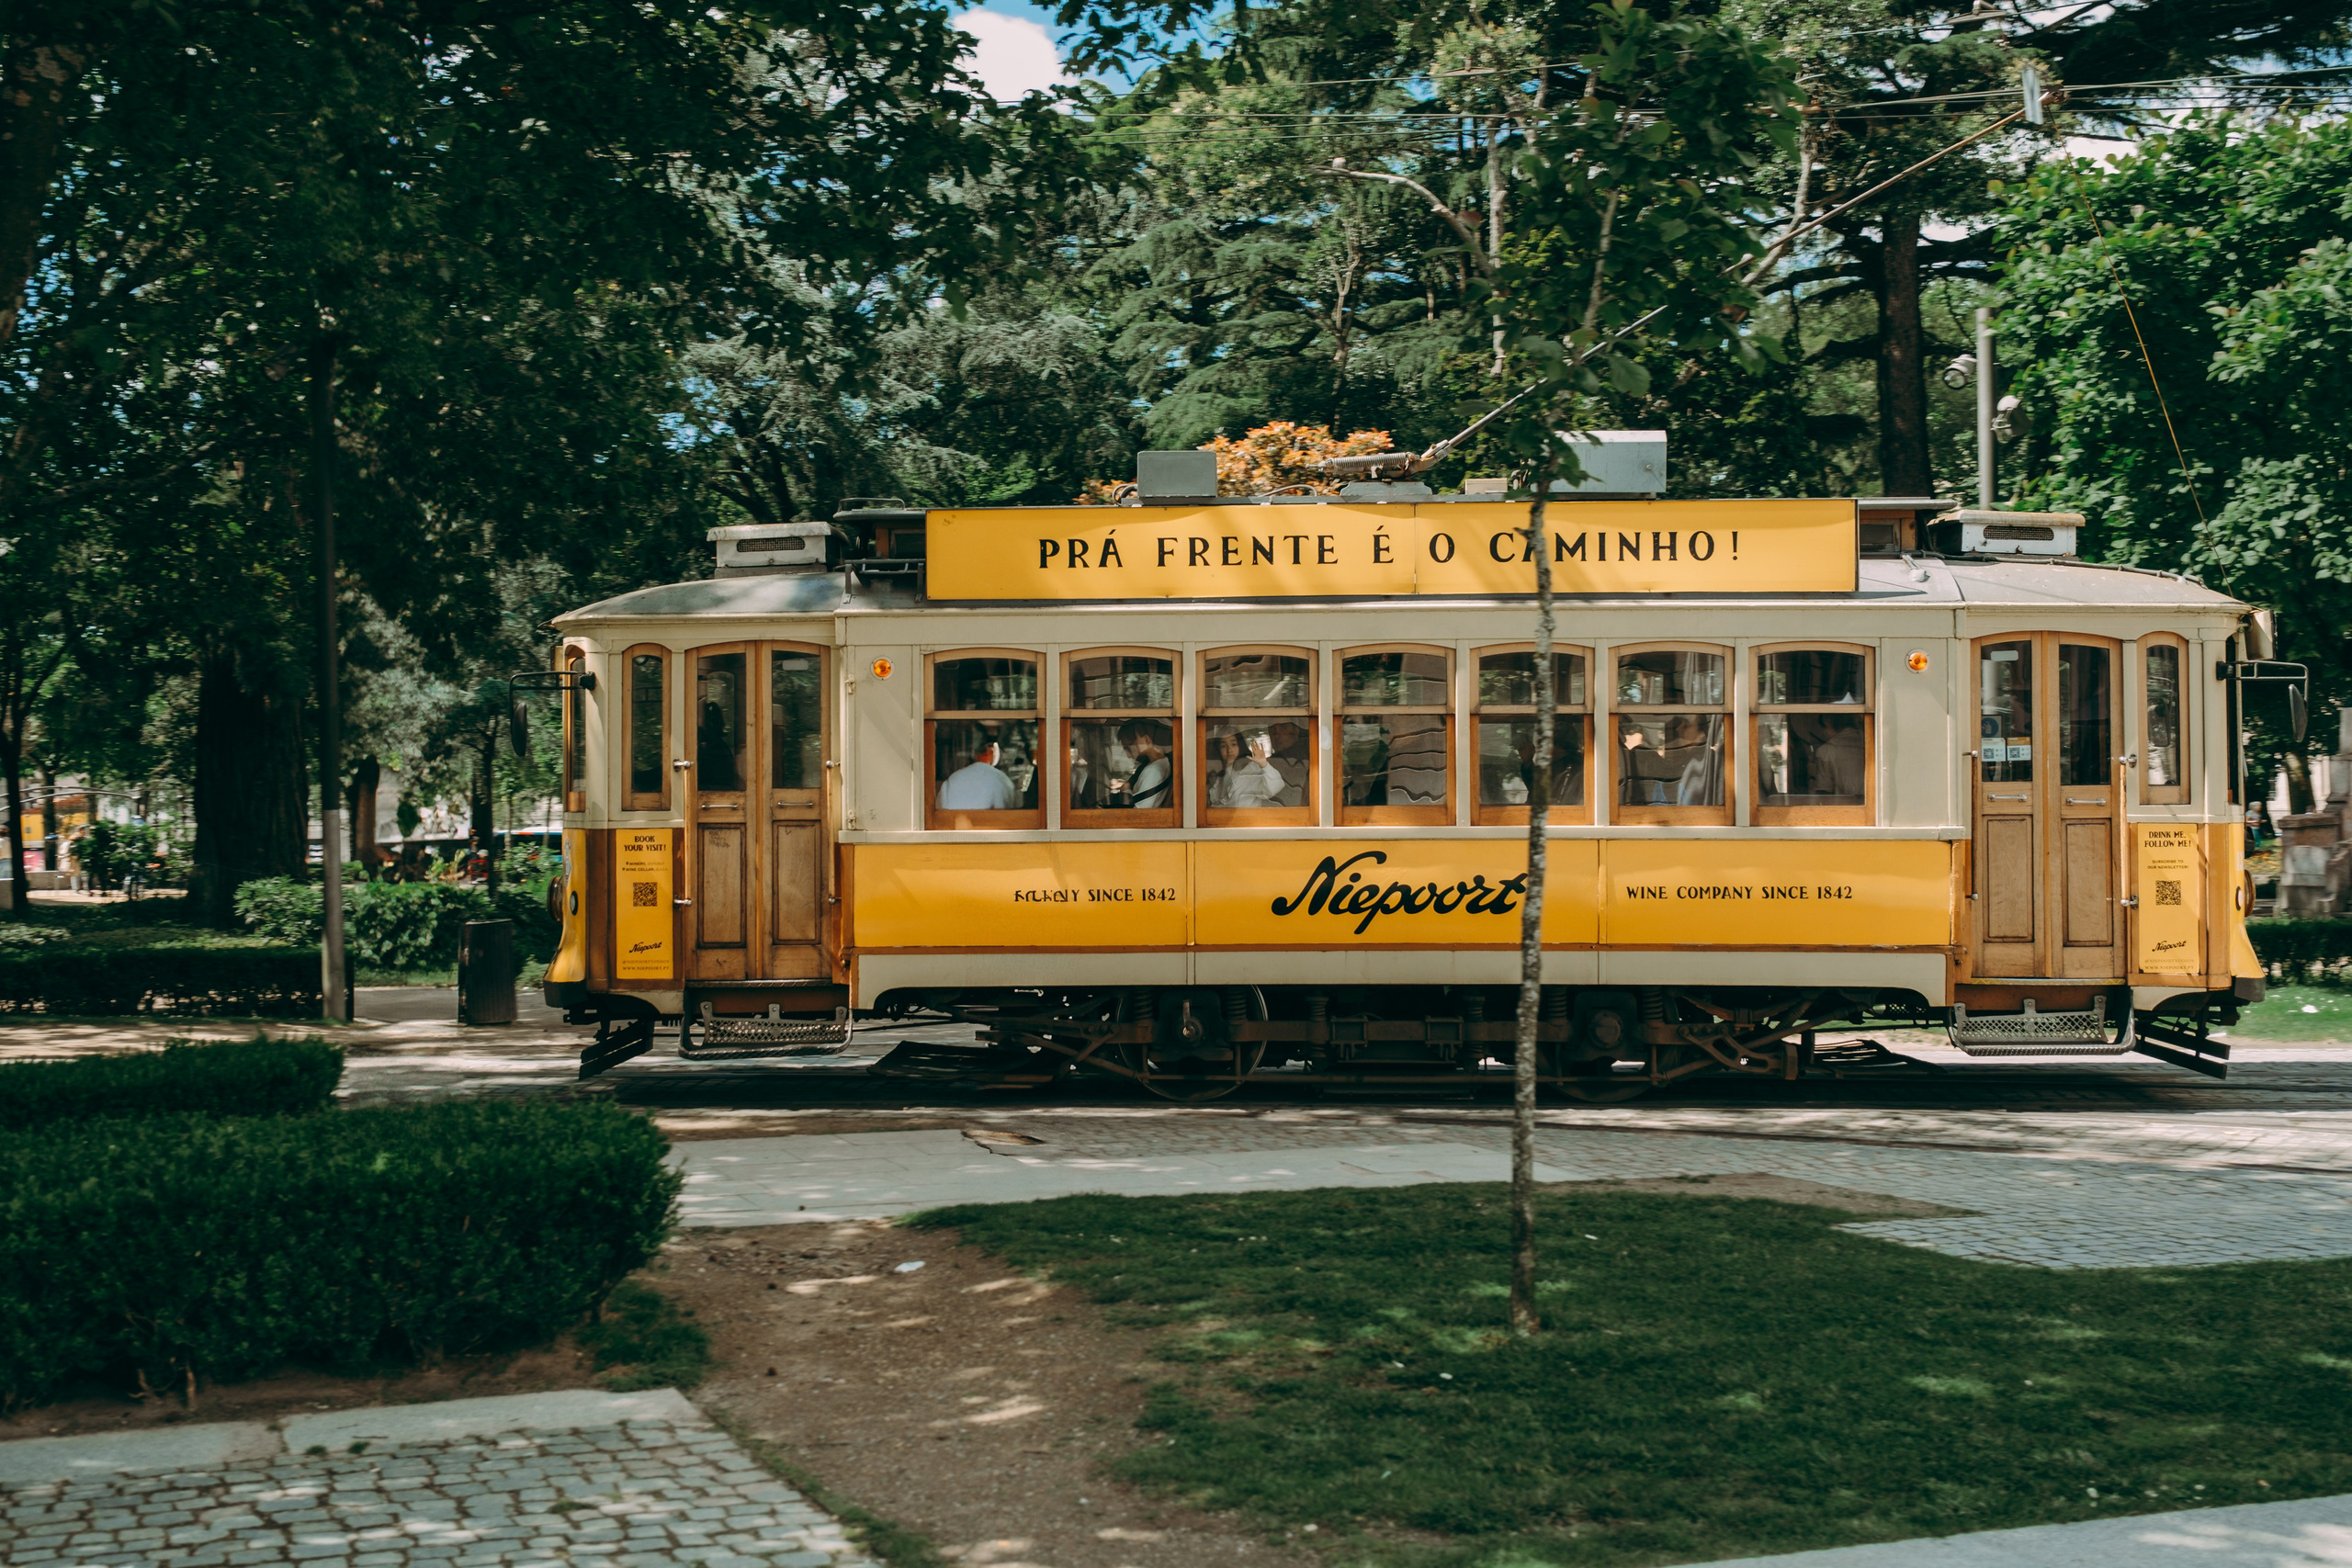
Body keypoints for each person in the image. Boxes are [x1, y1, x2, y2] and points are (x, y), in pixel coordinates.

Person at [1210, 730, 1283, 808]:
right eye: (1223, 746)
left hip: (1246, 819)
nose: (1229, 750)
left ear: (1240, 746)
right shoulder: (1219, 776)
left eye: (1233, 744)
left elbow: (1273, 788)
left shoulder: (1251, 769)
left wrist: (1264, 764)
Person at [938, 739, 1020, 810]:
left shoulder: (954, 779)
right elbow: (1007, 816)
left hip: (956, 825)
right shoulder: (1001, 780)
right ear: (990, 752)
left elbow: (940, 810)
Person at [1115, 719, 1172, 809]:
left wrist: (1126, 791)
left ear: (1147, 740)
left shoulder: (1153, 771)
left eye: (1129, 748)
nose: (1128, 755)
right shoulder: (1161, 764)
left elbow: (1140, 812)